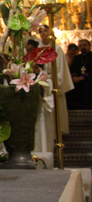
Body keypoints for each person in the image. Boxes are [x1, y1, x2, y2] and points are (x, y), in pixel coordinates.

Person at [34, 25, 74, 154]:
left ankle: (56, 143)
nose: (43, 33)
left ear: (50, 32)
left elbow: (60, 69)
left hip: (52, 86)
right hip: (40, 84)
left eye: (45, 31)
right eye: (41, 31)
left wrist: (55, 83)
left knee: (55, 120)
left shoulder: (56, 48)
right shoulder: (37, 48)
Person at [67, 39, 92, 109]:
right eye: (80, 46)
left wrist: (83, 77)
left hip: (89, 79)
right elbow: (72, 69)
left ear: (89, 46)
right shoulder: (76, 57)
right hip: (77, 80)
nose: (83, 47)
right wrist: (74, 77)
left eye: (85, 45)